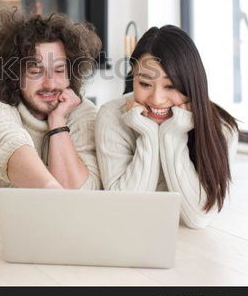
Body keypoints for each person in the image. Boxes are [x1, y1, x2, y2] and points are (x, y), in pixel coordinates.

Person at [95, 25, 239, 228]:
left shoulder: (222, 128)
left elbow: (198, 218)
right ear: (133, 79)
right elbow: (125, 210)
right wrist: (148, 133)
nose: (157, 99)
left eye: (170, 86)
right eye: (144, 84)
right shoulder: (112, 116)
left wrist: (172, 135)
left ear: (191, 84)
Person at [0, 10, 103, 190]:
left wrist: (57, 122)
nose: (50, 83)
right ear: (14, 74)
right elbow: (8, 143)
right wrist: (51, 190)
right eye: (35, 71)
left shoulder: (82, 112)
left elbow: (83, 190)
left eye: (60, 70)